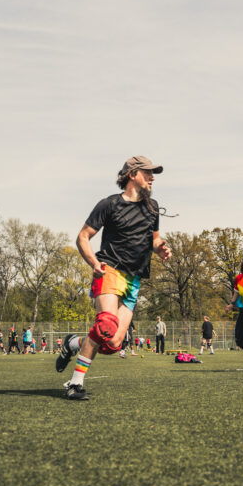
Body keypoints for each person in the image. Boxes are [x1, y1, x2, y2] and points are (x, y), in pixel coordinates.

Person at [54, 156, 171, 400]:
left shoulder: (152, 206)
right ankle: (75, 384)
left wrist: (160, 248)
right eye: (148, 173)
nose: (153, 177)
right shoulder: (109, 204)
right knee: (106, 325)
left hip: (135, 279)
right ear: (132, 174)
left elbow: (155, 238)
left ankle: (72, 344)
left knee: (113, 344)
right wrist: (94, 263)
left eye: (154, 173)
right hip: (110, 270)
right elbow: (83, 236)